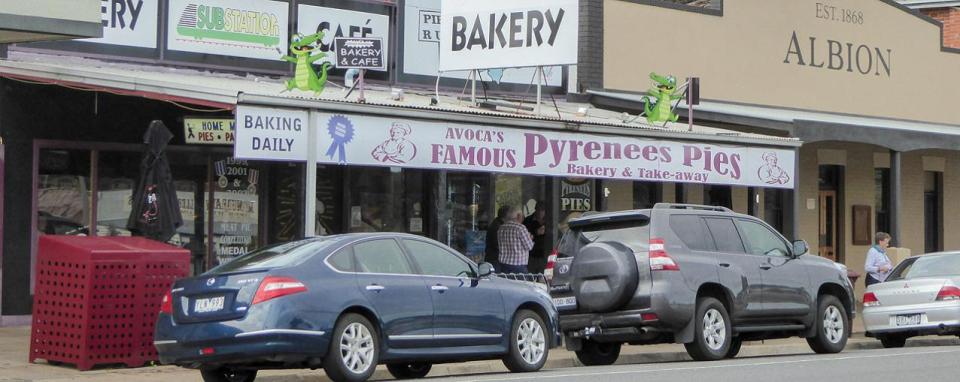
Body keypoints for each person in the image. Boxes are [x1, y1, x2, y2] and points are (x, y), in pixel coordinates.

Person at [497, 205, 534, 274]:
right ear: (517, 216)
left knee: (507, 283)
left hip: (503, 264)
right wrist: (530, 238)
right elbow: (529, 246)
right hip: (518, 264)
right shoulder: (520, 228)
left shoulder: (501, 228)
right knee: (521, 284)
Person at [523, 200, 548, 274]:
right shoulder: (528, 220)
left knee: (543, 279)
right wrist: (536, 232)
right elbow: (523, 236)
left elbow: (558, 234)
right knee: (531, 277)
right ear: (535, 209)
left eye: (542, 210)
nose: (540, 212)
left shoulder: (550, 220)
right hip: (531, 255)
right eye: (538, 210)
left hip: (545, 254)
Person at [484, 205, 511, 271]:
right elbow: (498, 245)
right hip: (494, 259)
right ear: (507, 216)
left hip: (493, 258)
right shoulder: (498, 227)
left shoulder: (497, 224)